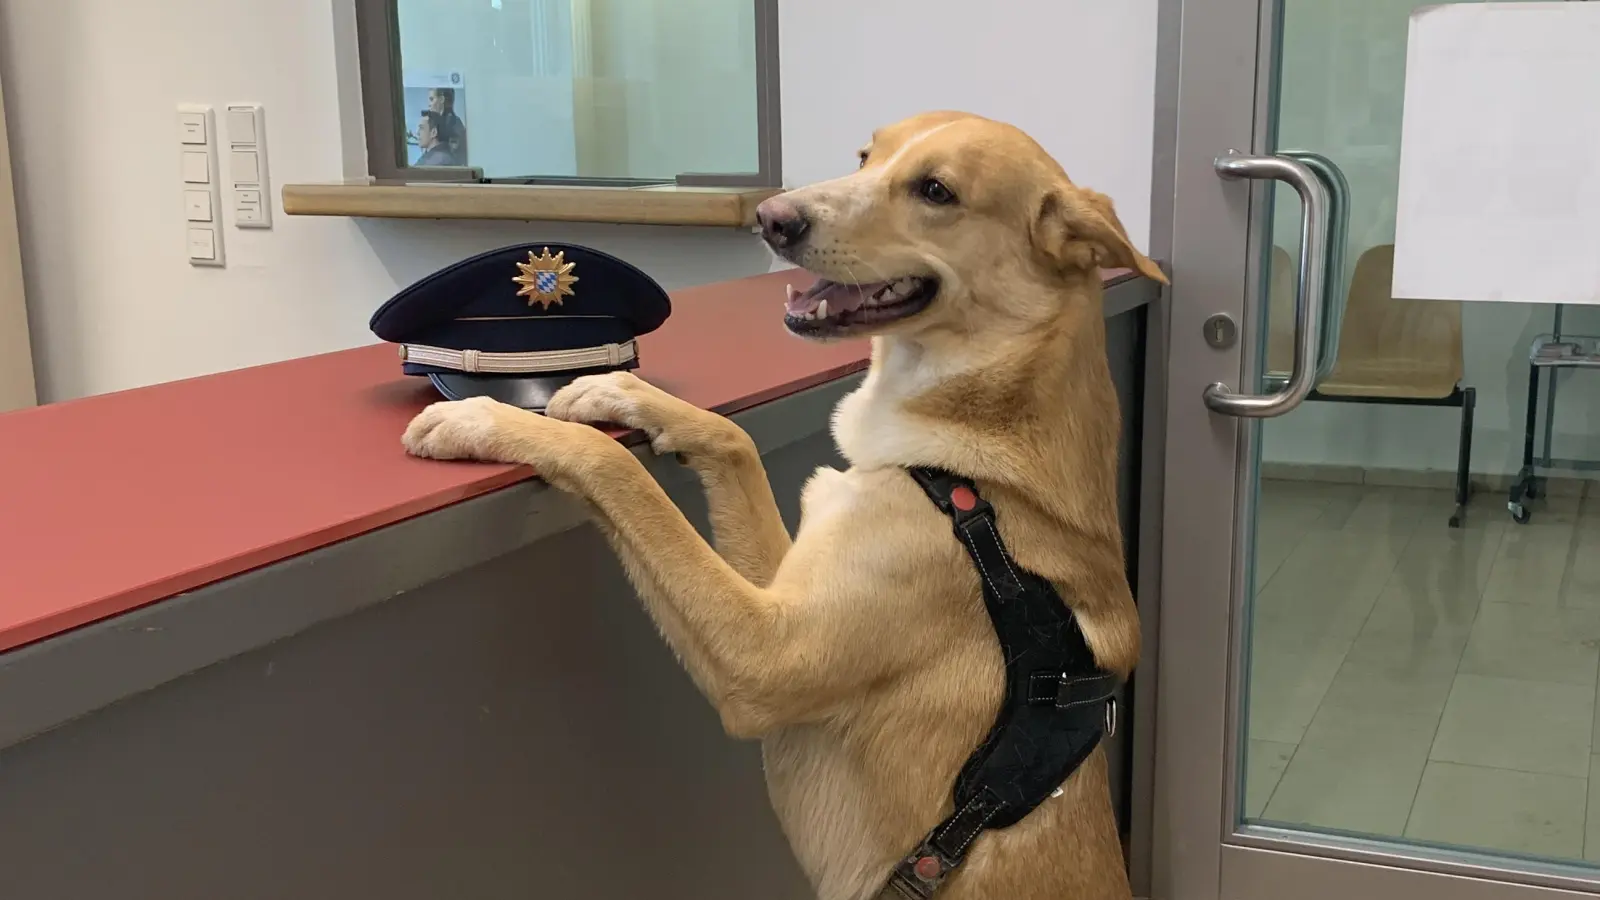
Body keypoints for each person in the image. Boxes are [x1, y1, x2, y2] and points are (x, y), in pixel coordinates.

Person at [428, 87, 467, 162]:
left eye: (431, 99)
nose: (429, 104)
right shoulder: (445, 123)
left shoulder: (453, 125)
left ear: (442, 99)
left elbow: (453, 157)